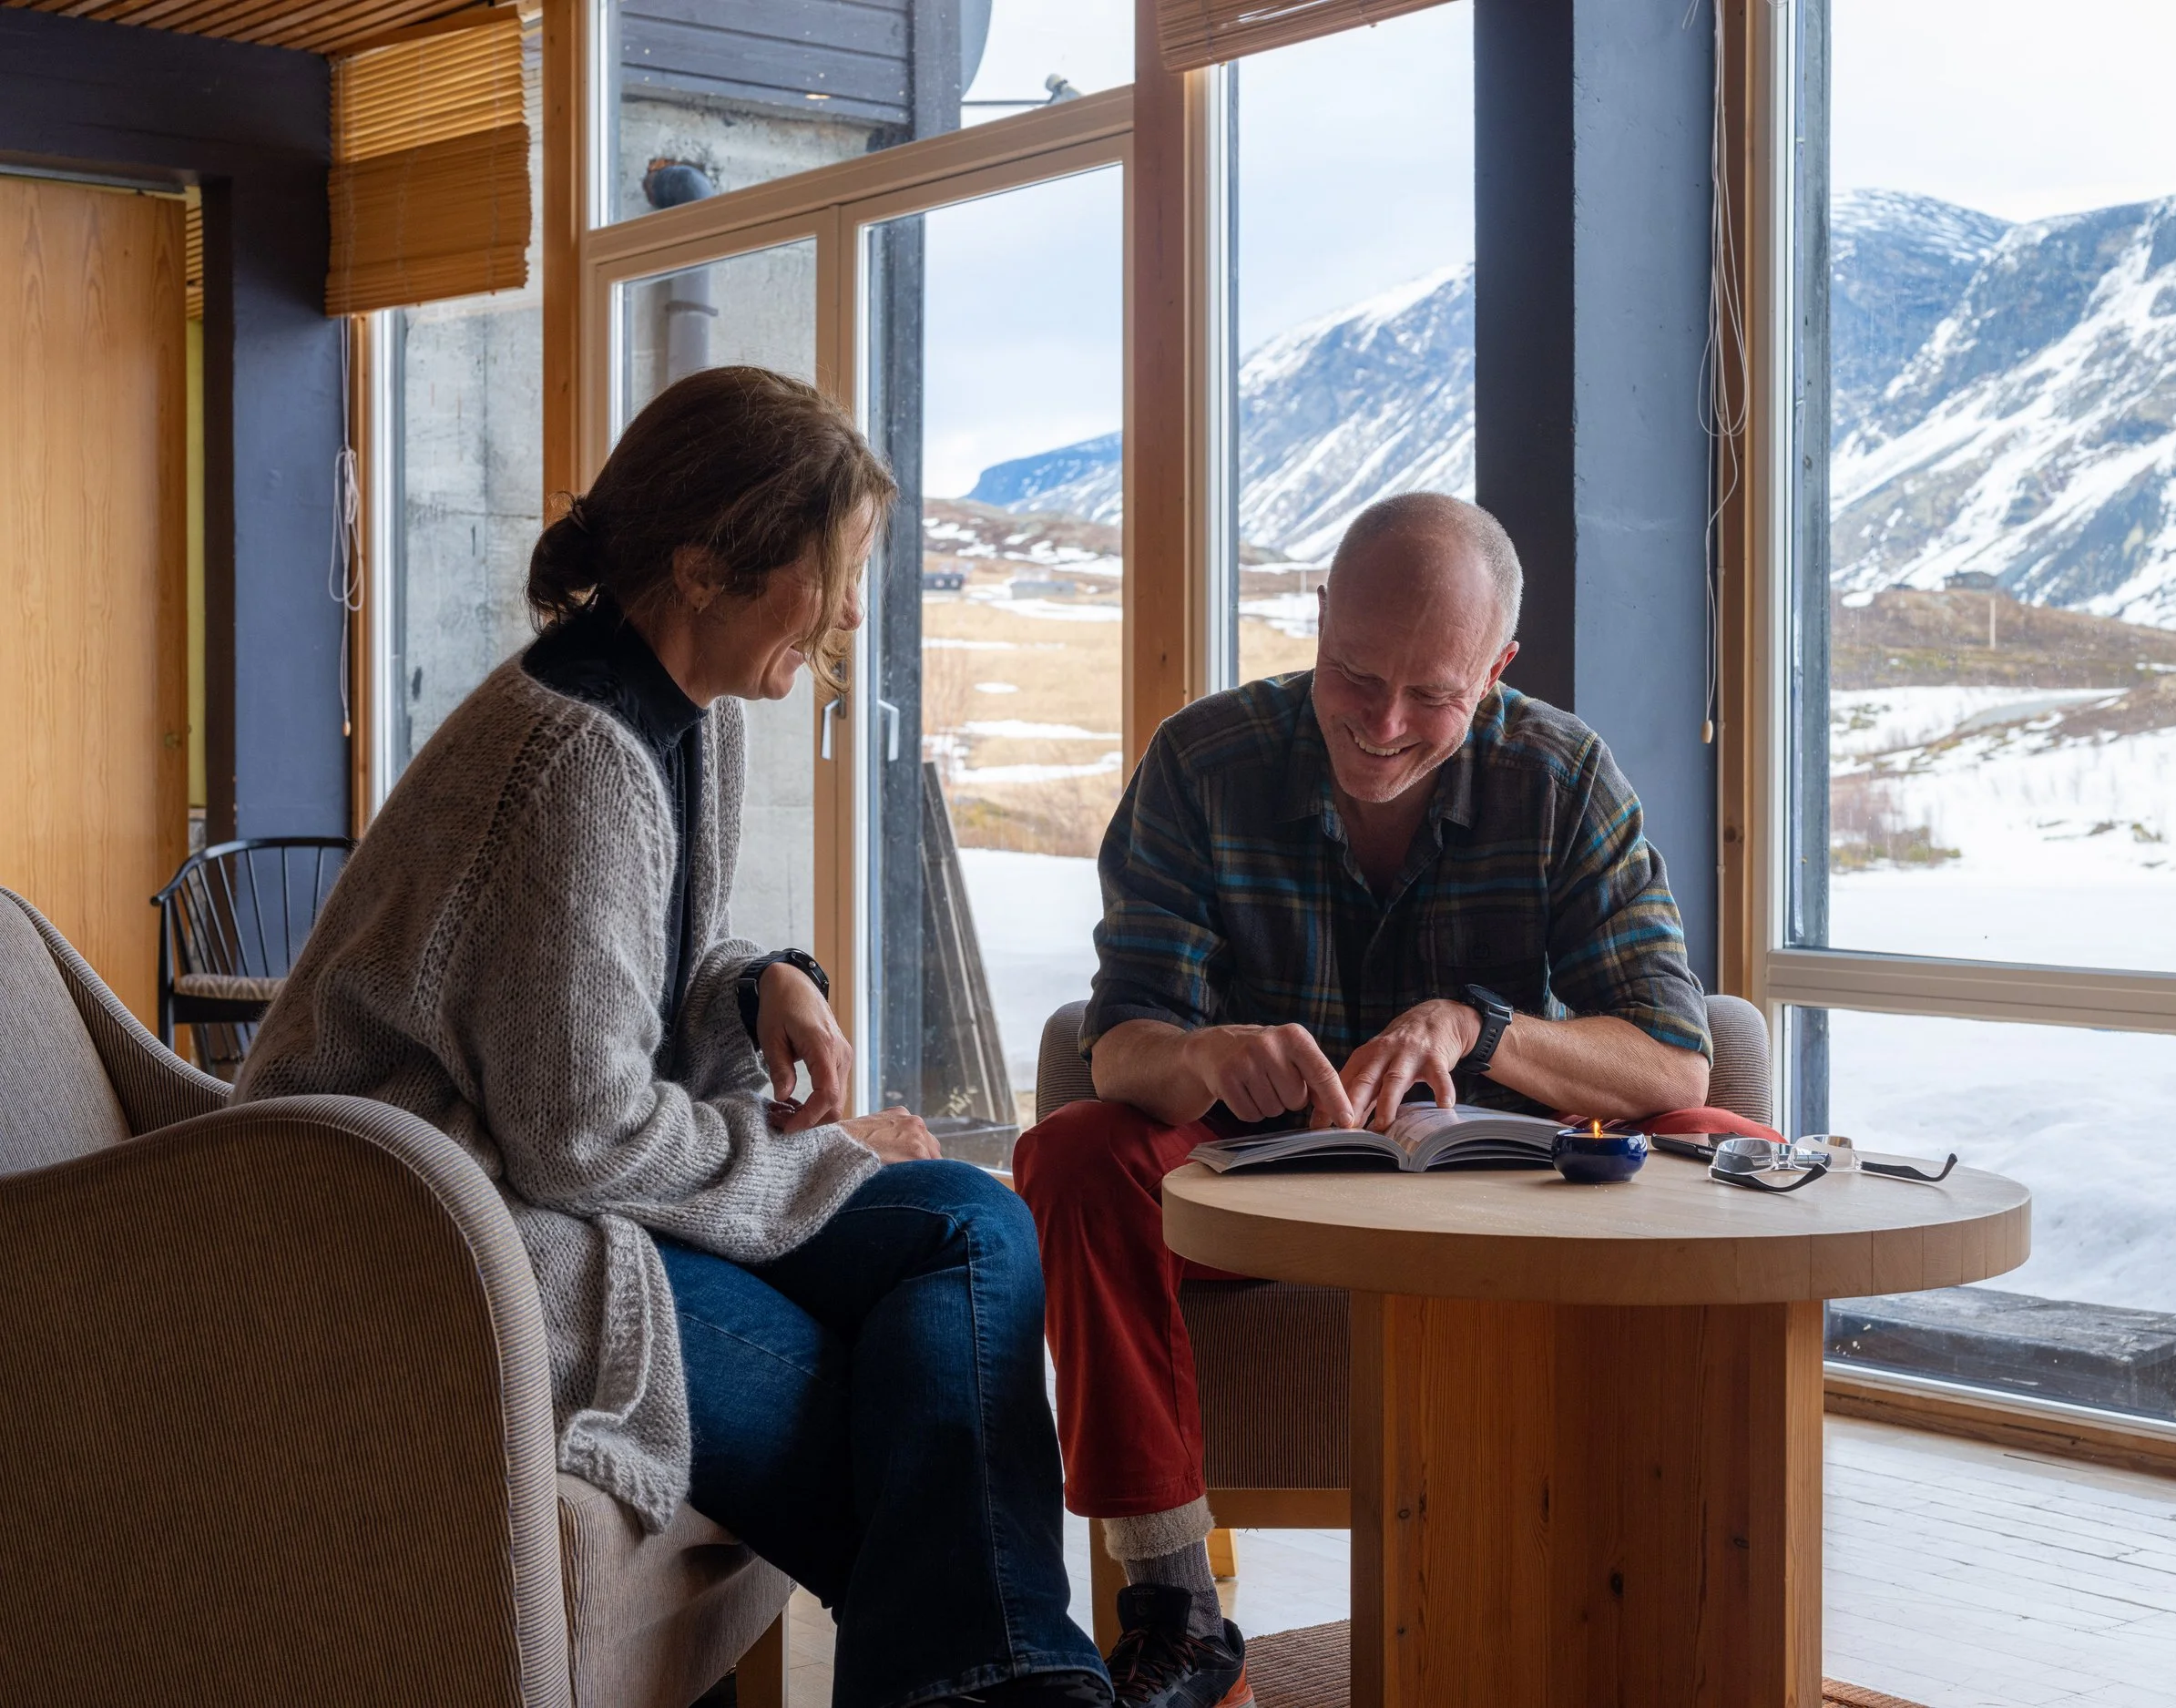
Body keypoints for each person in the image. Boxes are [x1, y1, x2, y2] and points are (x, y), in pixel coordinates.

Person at [235, 367, 1108, 1708]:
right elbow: (580, 1134)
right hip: (428, 1230)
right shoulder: (571, 757)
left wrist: (762, 977)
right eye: (833, 573)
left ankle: (986, 1675)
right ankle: (1001, 1679)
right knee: (898, 1419)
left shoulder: (680, 716)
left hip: (528, 1179)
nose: (854, 613)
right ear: (703, 570)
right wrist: (819, 1158)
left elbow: (605, 981)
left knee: (972, 1226)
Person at [1014, 492, 1762, 1708]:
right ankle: (1177, 1611)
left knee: (1726, 1150)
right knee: (1076, 1152)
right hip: (1247, 1194)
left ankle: (1679, 1577)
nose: (1383, 727)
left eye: (1435, 696)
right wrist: (1207, 1057)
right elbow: (1120, 1045)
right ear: (1317, 620)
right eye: (1355, 676)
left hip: (1507, 1199)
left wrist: (1488, 1028)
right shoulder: (1203, 762)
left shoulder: (1564, 776)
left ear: (1500, 669)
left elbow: (1678, 1059)